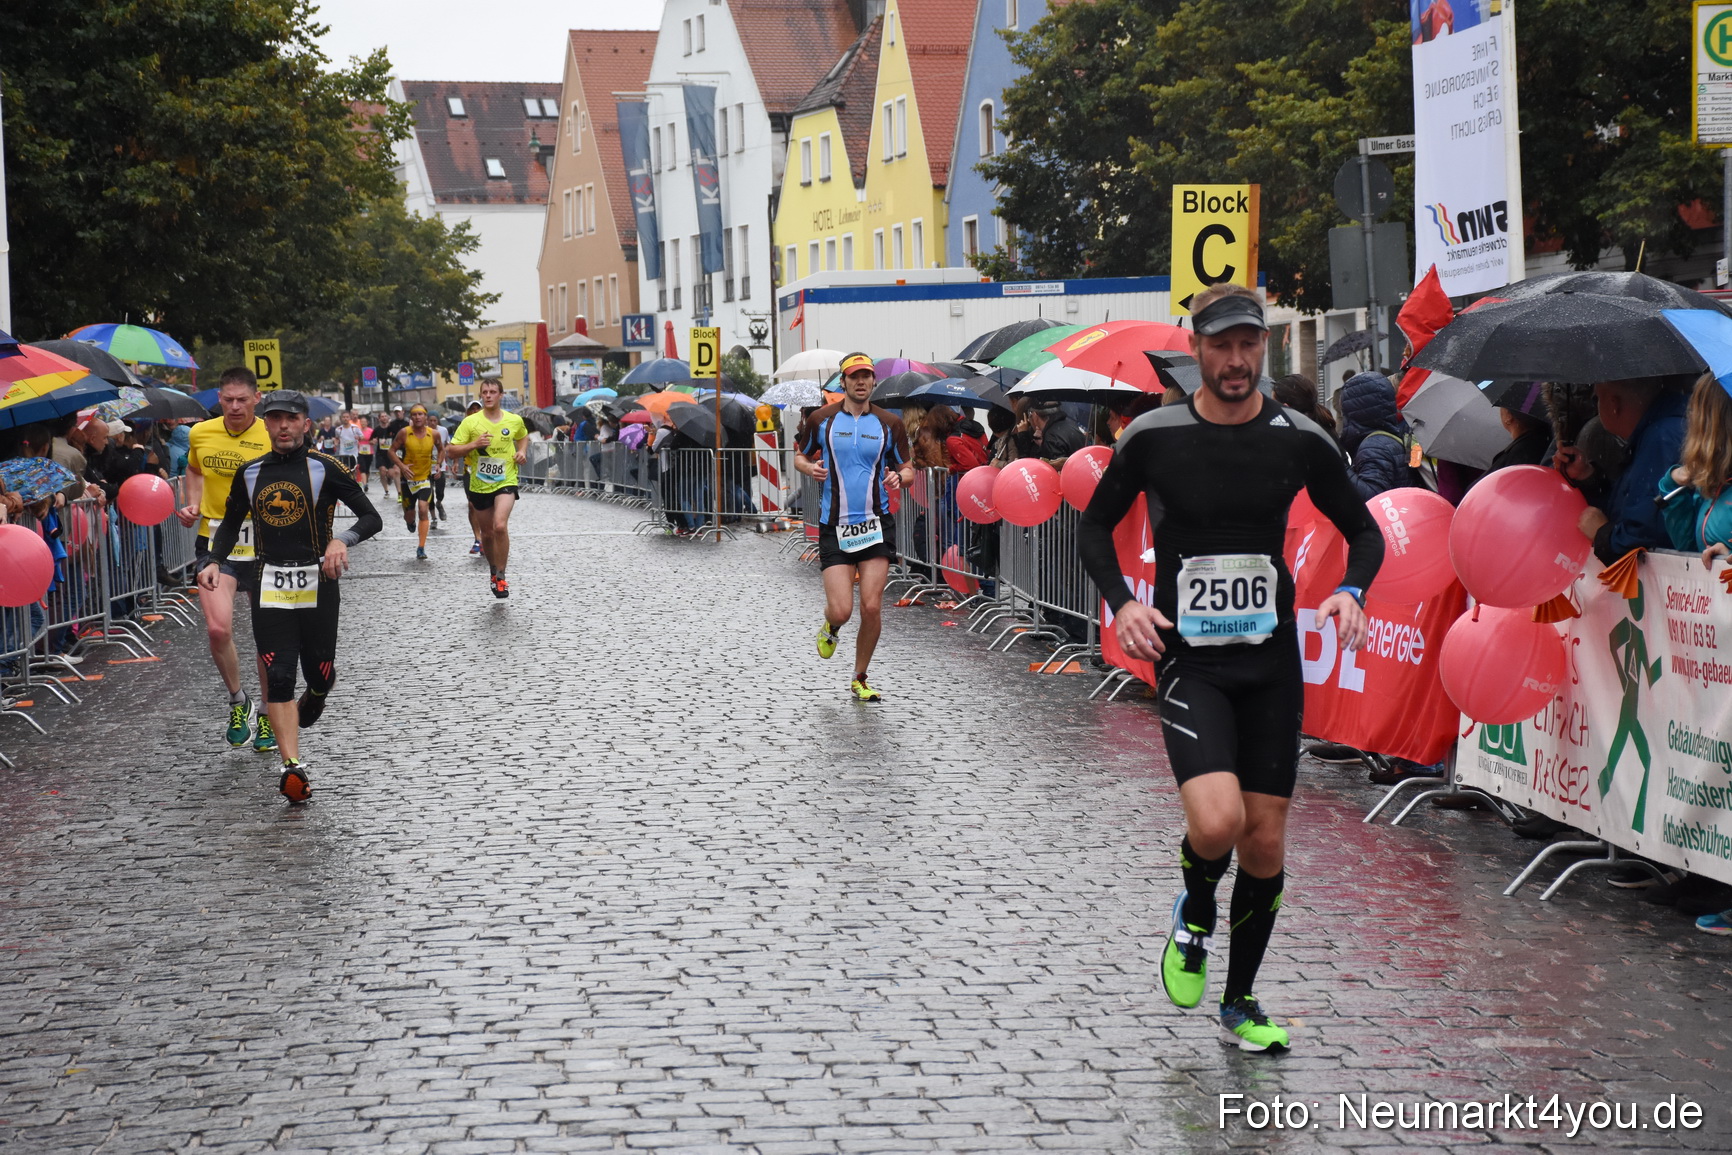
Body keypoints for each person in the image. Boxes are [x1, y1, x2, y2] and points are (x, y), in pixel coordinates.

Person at [1076, 284, 1382, 1054]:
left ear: (1265, 348)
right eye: (1222, 345)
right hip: (1192, 662)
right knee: (1218, 822)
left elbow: (1364, 532)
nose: (1236, 360)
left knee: (1266, 843)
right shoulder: (1153, 435)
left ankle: (1241, 1000)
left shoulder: (1300, 439)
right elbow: (1094, 527)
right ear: (1197, 348)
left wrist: (1352, 589)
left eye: (1249, 344)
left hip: (1272, 662)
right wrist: (1124, 603)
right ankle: (1194, 906)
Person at [198, 390, 381, 803]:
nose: (282, 426)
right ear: (265, 423)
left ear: (305, 424)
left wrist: (341, 540)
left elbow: (372, 517)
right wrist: (213, 560)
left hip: (319, 581)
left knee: (318, 671)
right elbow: (228, 525)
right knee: (279, 675)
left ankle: (317, 692)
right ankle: (291, 767)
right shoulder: (248, 473)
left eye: (291, 418)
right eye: (275, 418)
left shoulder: (326, 468)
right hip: (270, 583)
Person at [794, 351, 913, 702]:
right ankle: (831, 626)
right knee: (843, 609)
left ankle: (860, 677)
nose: (861, 382)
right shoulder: (822, 420)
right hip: (834, 525)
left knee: (872, 606)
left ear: (874, 381)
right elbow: (800, 455)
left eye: (866, 376)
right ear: (842, 382)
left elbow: (908, 468)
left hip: (876, 525)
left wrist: (899, 478)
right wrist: (807, 469)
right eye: (854, 376)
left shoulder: (890, 423)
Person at [176, 368, 276, 751]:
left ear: (256, 398)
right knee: (218, 630)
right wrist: (193, 503)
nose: (234, 406)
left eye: (242, 399)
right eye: (227, 399)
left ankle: (268, 713)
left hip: (266, 545)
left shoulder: (271, 433)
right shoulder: (201, 432)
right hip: (216, 544)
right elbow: (194, 468)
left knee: (267, 636)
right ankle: (239, 701)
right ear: (219, 398)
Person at [1560, 377, 1689, 564]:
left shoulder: (1662, 438)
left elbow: (1644, 537)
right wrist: (1588, 477)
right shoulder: (1661, 430)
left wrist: (1602, 535)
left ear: (1614, 404)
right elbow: (1632, 505)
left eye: (1597, 398)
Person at [446, 380, 528, 597]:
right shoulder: (471, 423)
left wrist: (522, 452)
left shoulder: (514, 419)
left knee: (500, 526)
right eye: (485, 392)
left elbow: (523, 436)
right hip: (480, 484)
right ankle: (493, 570)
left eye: (493, 392)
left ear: (501, 394)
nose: (489, 396)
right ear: (481, 396)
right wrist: (474, 445)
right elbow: (451, 451)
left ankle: (501, 575)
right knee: (488, 534)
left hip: (506, 480)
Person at [381, 405, 439, 559]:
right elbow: (391, 451)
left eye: (421, 414)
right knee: (410, 515)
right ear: (411, 417)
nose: (418, 417)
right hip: (407, 480)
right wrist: (402, 466)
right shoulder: (404, 433)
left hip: (424, 479)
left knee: (423, 508)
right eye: (415, 415)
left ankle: (421, 547)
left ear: (425, 417)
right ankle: (410, 522)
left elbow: (442, 449)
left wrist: (438, 464)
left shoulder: (433, 434)